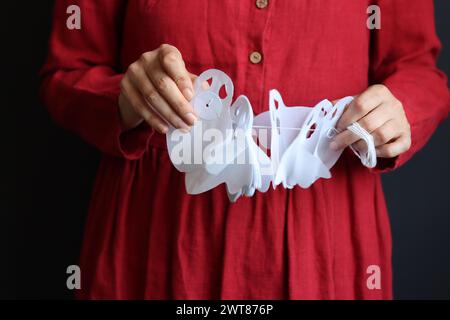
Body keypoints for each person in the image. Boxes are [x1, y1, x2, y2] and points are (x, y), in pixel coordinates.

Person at [40, 0, 449, 299]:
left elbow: (416, 67)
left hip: (325, 242)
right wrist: (125, 100)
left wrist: (400, 110)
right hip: (156, 234)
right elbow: (67, 72)